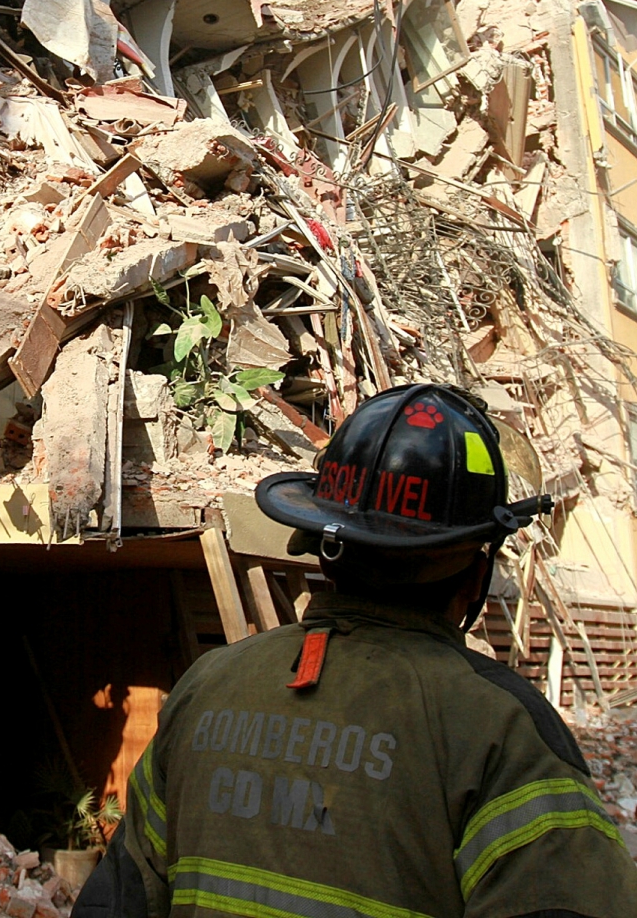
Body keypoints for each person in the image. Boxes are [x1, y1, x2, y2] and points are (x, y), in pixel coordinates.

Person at [73, 383, 637, 918]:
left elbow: (120, 896)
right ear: (476, 567)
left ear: (321, 547)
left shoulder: (206, 687)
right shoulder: (502, 725)